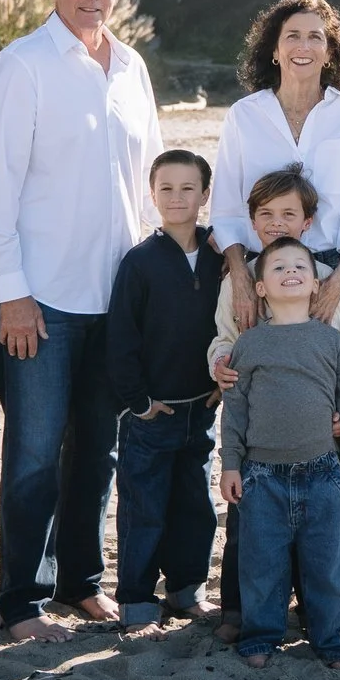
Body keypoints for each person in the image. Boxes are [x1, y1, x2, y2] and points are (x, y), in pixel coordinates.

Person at [0, 0, 164, 642]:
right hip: (42, 300)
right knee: (33, 450)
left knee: (96, 452)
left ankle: (81, 582)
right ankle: (21, 599)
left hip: (116, 297)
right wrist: (11, 293)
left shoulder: (133, 68)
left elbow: (147, 186)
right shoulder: (23, 66)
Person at [219, 238, 340, 669]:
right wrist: (231, 463)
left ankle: (330, 637)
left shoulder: (332, 342)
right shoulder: (249, 344)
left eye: (300, 266)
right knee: (262, 564)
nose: (290, 272)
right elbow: (235, 411)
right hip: (261, 475)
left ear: (316, 282)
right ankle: (262, 635)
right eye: (278, 267)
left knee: (326, 563)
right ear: (260, 288)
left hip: (323, 472)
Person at [205, 167, 340, 641]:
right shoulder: (239, 279)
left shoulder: (323, 278)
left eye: (288, 213)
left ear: (307, 222)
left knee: (319, 519)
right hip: (255, 423)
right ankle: (238, 608)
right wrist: (219, 361)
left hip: (312, 422)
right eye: (265, 214)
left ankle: (316, 610)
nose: (276, 222)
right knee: (249, 517)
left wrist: (339, 408)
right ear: (251, 221)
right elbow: (222, 338)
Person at [210, 0, 340, 337]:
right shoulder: (244, 116)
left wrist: (337, 283)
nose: (303, 46)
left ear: (330, 52)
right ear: (274, 50)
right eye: (292, 36)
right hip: (263, 272)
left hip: (336, 272)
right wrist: (241, 275)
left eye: (315, 37)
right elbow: (226, 207)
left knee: (334, 385)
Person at [105, 149, 226, 632]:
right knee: (144, 510)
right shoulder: (140, 261)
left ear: (205, 194)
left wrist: (218, 384)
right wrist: (138, 401)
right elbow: (121, 338)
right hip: (152, 414)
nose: (176, 198)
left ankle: (186, 590)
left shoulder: (222, 257)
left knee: (196, 508)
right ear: (152, 194)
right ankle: (136, 600)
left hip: (203, 407)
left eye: (188, 188)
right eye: (166, 189)